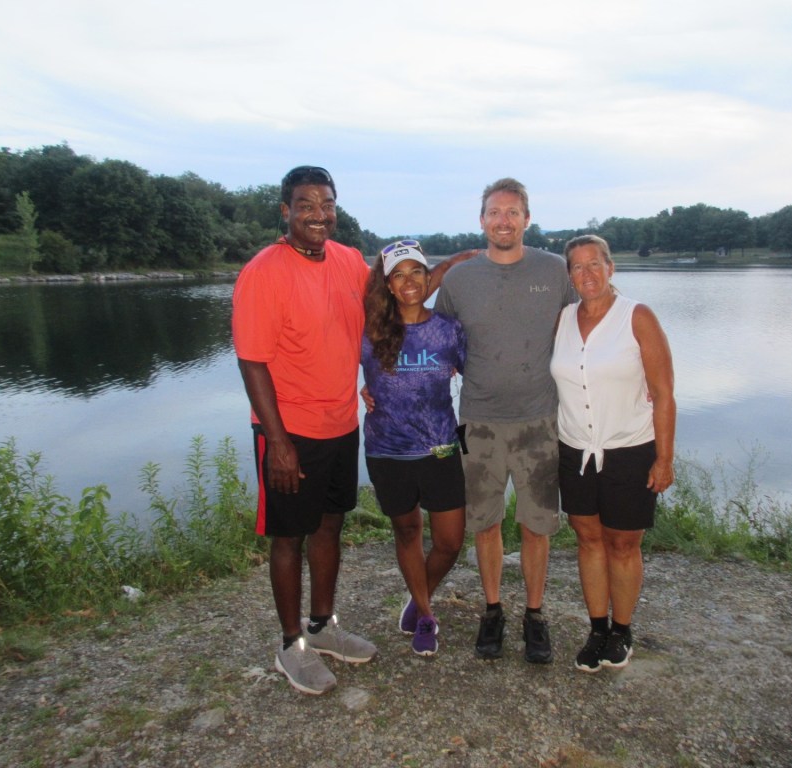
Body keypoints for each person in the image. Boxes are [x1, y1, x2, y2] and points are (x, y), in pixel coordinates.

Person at [230, 165, 375, 696]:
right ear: (285, 211)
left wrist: (452, 267)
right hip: (289, 431)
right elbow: (252, 361)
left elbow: (382, 309)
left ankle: (322, 626)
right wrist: (279, 443)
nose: (319, 215)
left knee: (330, 524)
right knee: (289, 536)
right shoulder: (264, 272)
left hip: (341, 423)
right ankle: (291, 645)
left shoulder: (349, 260)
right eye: (306, 205)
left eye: (327, 204)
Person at [433, 178, 577, 663]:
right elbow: (435, 340)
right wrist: (381, 381)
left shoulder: (554, 270)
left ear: (527, 220)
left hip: (540, 420)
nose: (503, 221)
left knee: (537, 526)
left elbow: (588, 323)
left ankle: (535, 614)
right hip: (477, 422)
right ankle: (492, 609)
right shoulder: (459, 280)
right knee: (485, 523)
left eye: (513, 212)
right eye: (495, 212)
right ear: (481, 221)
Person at [550, 234, 676, 673]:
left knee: (622, 544)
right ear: (569, 275)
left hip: (629, 449)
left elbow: (664, 393)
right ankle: (597, 628)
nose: (586, 274)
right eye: (577, 266)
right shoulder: (563, 319)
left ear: (610, 267)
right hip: (575, 449)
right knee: (588, 539)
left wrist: (664, 459)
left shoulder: (637, 317)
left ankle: (622, 630)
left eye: (594, 264)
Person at [361, 240, 467, 657]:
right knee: (407, 532)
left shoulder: (449, 330)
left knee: (450, 541)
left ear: (428, 278)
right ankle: (424, 614)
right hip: (387, 451)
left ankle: (418, 594)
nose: (409, 282)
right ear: (388, 285)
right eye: (398, 275)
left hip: (441, 447)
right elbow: (333, 367)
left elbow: (479, 377)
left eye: (416, 272)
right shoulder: (371, 331)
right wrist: (361, 389)